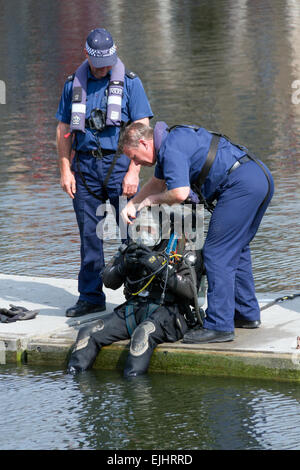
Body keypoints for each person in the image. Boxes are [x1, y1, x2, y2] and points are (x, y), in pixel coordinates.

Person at [118, 121, 274, 343]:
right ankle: (245, 313)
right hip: (258, 176)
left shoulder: (171, 148)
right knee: (236, 248)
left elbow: (179, 193)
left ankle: (219, 325)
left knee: (216, 252)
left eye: (133, 157)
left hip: (242, 185)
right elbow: (156, 182)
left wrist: (150, 201)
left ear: (143, 142)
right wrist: (133, 203)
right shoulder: (171, 140)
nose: (135, 163)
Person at [55, 28, 153, 317]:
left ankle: (139, 295)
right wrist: (64, 170)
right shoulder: (73, 84)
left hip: (119, 165)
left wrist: (134, 171)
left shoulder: (131, 84)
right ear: (87, 55)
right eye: (98, 62)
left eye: (108, 61)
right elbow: (63, 130)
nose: (103, 67)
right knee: (89, 237)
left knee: (132, 233)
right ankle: (90, 297)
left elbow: (143, 130)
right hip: (83, 168)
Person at [67, 206, 204, 376]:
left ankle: (135, 390)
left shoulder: (183, 246)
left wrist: (160, 268)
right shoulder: (132, 245)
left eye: (149, 229)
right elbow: (108, 281)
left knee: (142, 334)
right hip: (134, 308)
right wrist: (124, 266)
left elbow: (191, 291)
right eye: (139, 228)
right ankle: (76, 382)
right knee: (88, 332)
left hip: (169, 313)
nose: (143, 234)